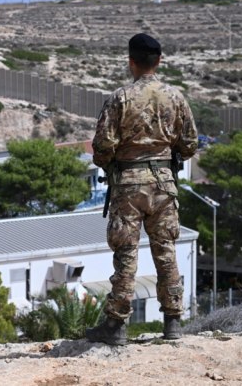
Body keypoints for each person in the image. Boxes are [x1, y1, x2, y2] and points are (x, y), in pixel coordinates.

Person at [86, 33, 198, 345]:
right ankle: (173, 322)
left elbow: (102, 147)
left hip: (129, 185)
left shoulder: (120, 98)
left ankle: (116, 326)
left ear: (131, 62)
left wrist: (112, 162)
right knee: (166, 250)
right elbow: (190, 144)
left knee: (126, 254)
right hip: (164, 185)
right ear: (158, 61)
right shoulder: (175, 97)